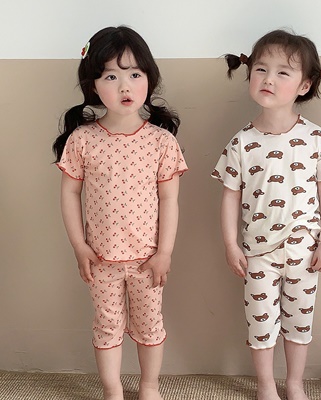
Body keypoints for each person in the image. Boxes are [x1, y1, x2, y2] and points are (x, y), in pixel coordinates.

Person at [53, 26, 188, 400]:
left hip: (148, 260)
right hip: (100, 259)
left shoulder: (162, 142)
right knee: (107, 326)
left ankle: (149, 387)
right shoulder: (82, 139)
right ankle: (112, 391)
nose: (125, 86)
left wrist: (164, 252)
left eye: (134, 74)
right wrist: (79, 246)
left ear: (149, 79)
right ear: (94, 85)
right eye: (111, 76)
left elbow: (170, 201)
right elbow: (70, 194)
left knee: (150, 325)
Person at [211, 30, 321, 400]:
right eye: (261, 69)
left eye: (282, 72)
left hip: (305, 250)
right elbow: (229, 197)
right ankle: (266, 384)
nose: (268, 79)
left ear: (304, 85)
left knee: (300, 321)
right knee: (260, 324)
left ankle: (295, 383)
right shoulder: (241, 142)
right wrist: (230, 244)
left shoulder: (317, 139)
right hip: (257, 251)